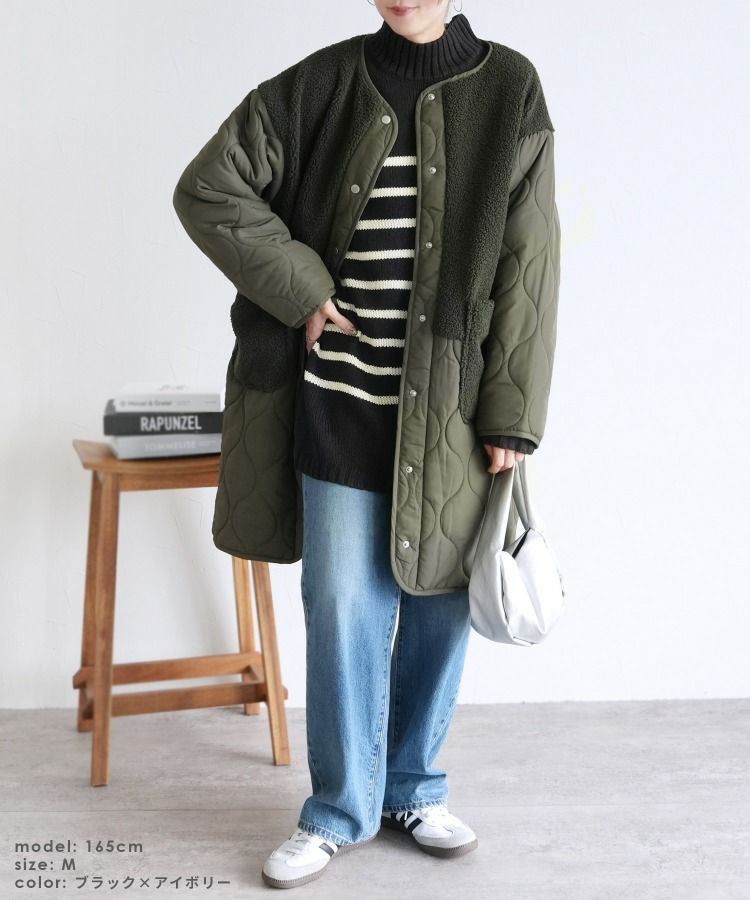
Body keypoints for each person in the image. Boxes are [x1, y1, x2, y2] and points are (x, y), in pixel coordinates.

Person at [173, 0, 560, 890]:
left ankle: (415, 788)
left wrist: (512, 414)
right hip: (339, 402)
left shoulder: (511, 87)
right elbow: (208, 186)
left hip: (453, 413)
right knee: (342, 602)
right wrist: (301, 286)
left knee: (438, 605)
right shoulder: (319, 84)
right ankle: (339, 809)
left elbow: (530, 260)